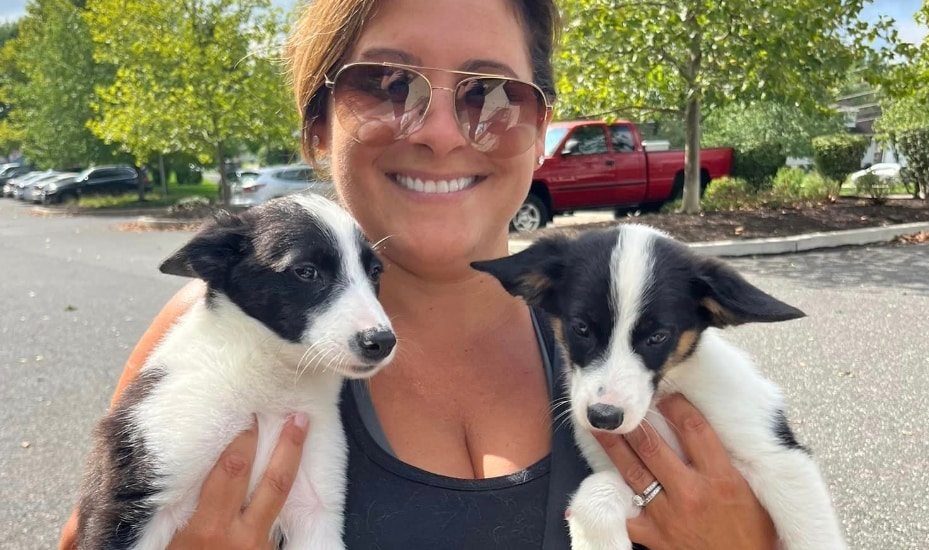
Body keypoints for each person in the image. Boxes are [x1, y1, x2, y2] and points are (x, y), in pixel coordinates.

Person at [60, 0, 777, 548]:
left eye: (491, 94)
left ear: (538, 126)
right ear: (317, 126)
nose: (440, 132)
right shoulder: (223, 333)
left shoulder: (635, 319)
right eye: (387, 84)